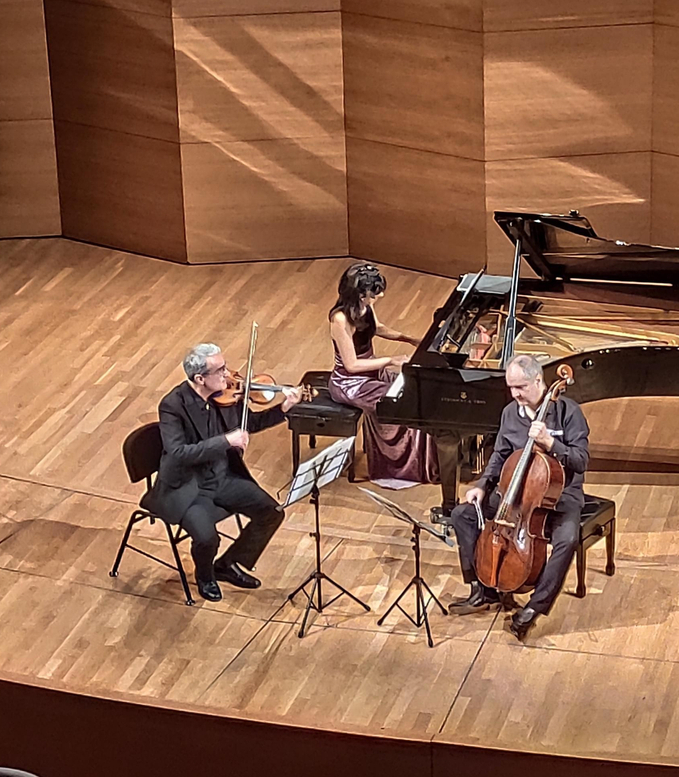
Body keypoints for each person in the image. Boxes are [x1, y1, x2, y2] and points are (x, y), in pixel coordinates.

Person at [143, 342, 302, 602]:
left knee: (272, 513)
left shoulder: (226, 396)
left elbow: (248, 423)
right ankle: (205, 576)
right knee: (207, 538)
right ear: (199, 378)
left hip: (222, 477)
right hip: (188, 487)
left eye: (225, 367)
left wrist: (283, 409)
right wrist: (226, 441)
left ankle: (228, 564)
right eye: (220, 371)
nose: (227, 376)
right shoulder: (173, 405)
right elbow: (179, 453)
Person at [446, 354, 590, 640]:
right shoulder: (510, 413)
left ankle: (533, 609)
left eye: (521, 387)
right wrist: (482, 484)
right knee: (462, 514)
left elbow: (581, 460)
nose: (514, 394)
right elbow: (499, 455)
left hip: (560, 498)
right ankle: (483, 589)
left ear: (538, 380)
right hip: (515, 496)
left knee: (567, 540)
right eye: (510, 388)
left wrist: (551, 443)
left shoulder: (567, 413)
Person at [327, 262, 437, 488]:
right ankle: (397, 467)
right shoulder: (339, 319)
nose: (380, 295)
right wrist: (391, 360)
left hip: (372, 373)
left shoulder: (364, 306)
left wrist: (409, 339)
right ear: (358, 292)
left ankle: (422, 462)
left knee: (415, 387)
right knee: (400, 403)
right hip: (350, 383)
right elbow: (352, 365)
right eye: (374, 293)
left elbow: (378, 328)